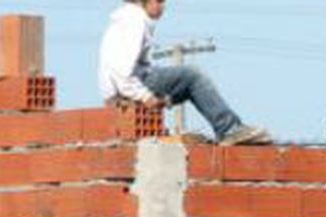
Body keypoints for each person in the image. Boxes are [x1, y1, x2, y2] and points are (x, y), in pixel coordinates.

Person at [98, 0, 271, 145]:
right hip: (132, 85)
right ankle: (229, 129)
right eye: (159, 1)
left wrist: (114, 97)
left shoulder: (121, 20)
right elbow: (122, 70)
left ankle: (221, 129)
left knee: (187, 85)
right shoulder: (135, 20)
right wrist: (145, 97)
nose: (163, 6)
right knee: (193, 76)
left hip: (122, 90)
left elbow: (112, 69)